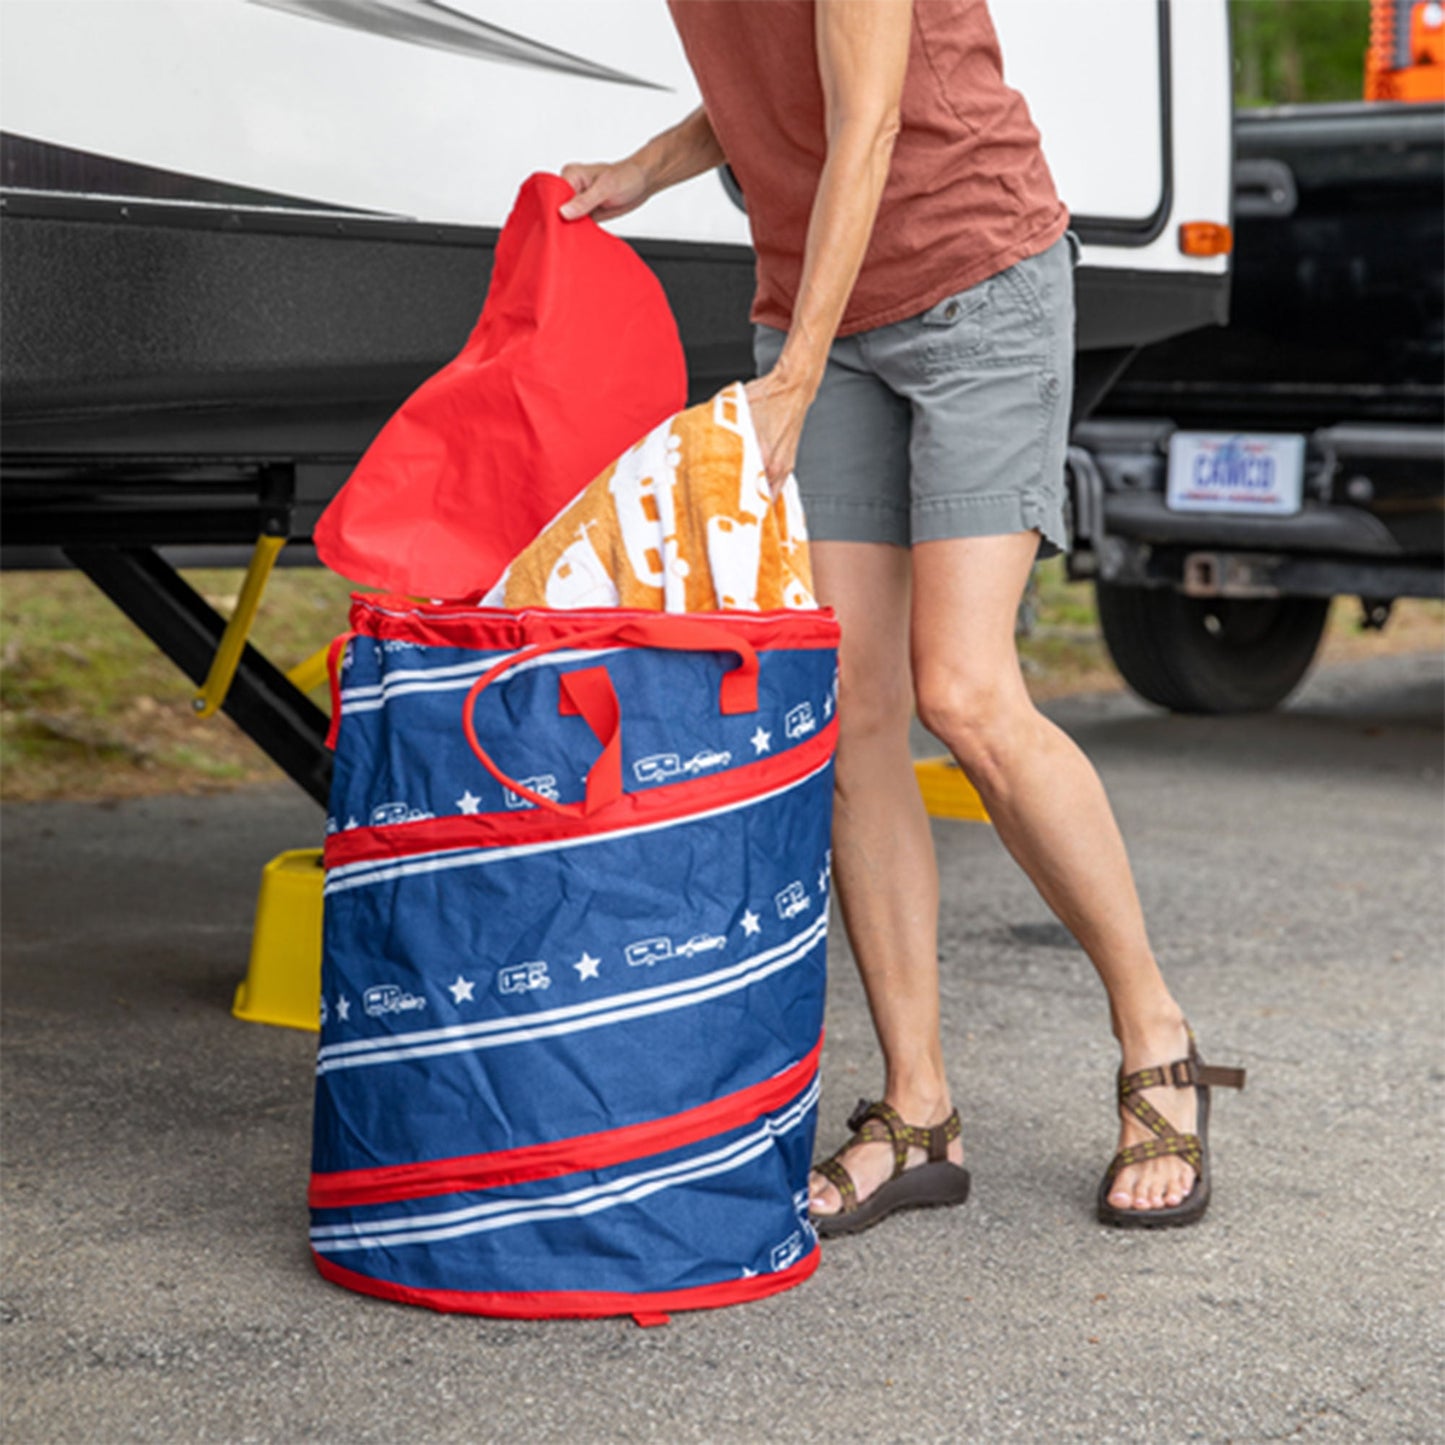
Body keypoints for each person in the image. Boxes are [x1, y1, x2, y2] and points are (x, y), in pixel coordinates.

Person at [560, 0, 1243, 1233]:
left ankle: (1157, 1037)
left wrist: (792, 373)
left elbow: (867, 116)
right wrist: (642, 170)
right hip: (818, 310)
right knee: (850, 709)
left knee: (964, 693)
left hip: (970, 281)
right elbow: (776, 73)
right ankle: (918, 1105)